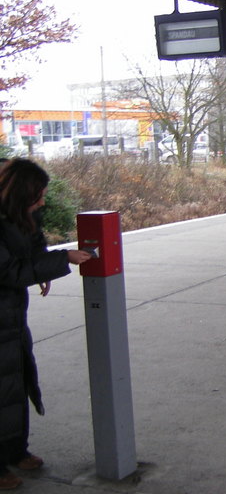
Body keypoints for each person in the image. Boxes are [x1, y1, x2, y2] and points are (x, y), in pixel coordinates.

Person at [0, 159, 92, 490]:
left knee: (15, 379)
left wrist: (43, 266)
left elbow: (34, 243)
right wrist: (61, 260)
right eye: (37, 197)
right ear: (19, 195)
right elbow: (8, 271)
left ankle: (15, 449)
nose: (42, 203)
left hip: (10, 314)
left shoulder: (20, 211)